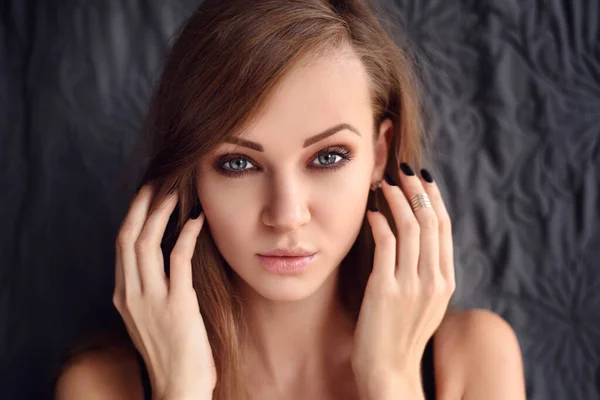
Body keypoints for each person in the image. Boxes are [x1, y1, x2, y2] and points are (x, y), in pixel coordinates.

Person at [54, 0, 526, 399]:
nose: (286, 215)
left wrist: (391, 381)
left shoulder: (472, 361)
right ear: (192, 173)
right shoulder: (103, 386)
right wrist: (181, 388)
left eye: (328, 157)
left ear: (380, 155)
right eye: (238, 163)